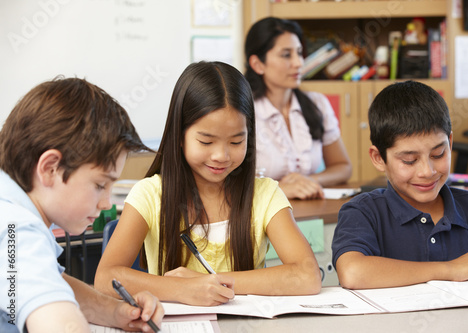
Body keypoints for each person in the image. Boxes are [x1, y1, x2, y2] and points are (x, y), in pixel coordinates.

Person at [94, 61, 322, 306]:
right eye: (206, 141)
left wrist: (211, 283)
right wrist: (180, 289)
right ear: (179, 136)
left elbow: (307, 275)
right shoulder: (150, 194)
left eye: (236, 142)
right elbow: (106, 278)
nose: (221, 156)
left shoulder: (265, 194)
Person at [0, 77, 164, 332]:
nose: (107, 202)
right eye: (100, 185)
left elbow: (51, 282)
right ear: (51, 168)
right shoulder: (18, 230)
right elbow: (60, 323)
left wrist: (115, 311)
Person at [332, 80, 468, 289]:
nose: (427, 171)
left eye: (438, 154)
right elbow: (353, 272)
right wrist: (448, 269)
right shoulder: (363, 212)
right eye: (409, 160)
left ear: (450, 143)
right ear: (378, 158)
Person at [244, 17, 352, 200]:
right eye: (286, 55)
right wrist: (280, 189)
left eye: (300, 53)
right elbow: (227, 182)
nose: (299, 63)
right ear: (257, 64)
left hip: (309, 208)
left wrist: (307, 180)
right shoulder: (242, 111)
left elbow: (343, 167)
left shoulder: (317, 103)